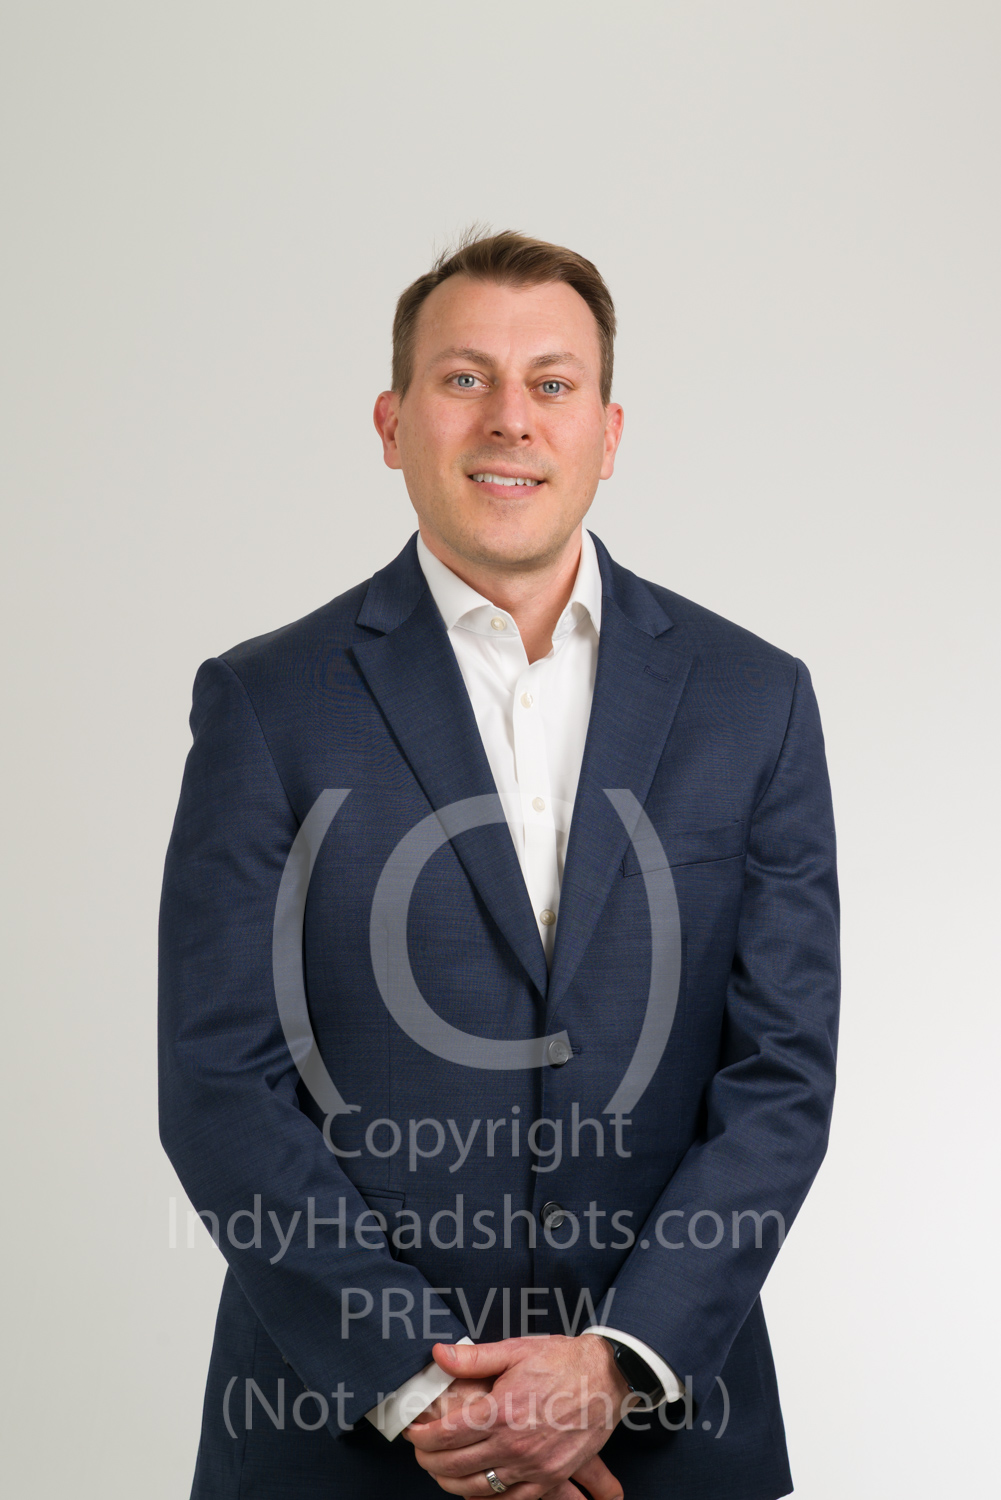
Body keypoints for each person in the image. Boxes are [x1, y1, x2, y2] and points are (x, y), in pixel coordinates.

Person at [159, 230, 840, 1500]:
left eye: (551, 383)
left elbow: (780, 1076)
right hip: (343, 1444)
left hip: (661, 1443)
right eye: (463, 378)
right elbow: (219, 1084)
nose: (508, 419)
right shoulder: (264, 704)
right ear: (392, 422)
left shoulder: (757, 701)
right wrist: (428, 1392)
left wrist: (611, 1367)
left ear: (607, 431)